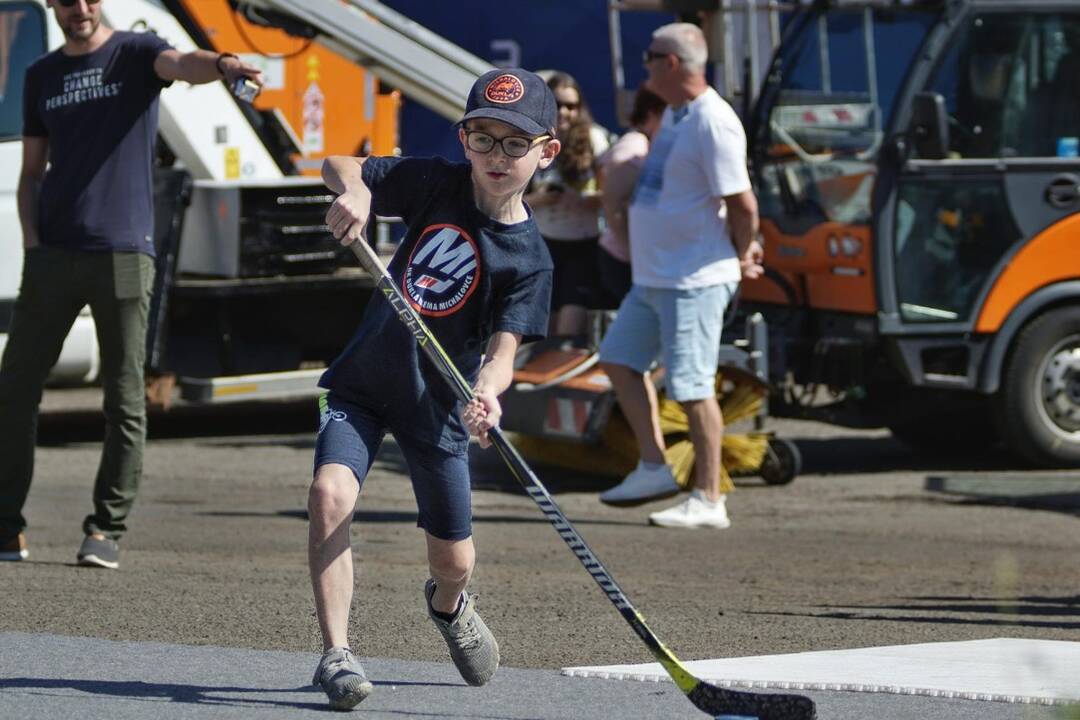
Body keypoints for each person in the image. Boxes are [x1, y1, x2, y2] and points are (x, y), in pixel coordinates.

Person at [309, 68, 558, 710]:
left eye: (515, 143)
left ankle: (448, 609)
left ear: (546, 151)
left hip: (439, 407)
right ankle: (336, 653)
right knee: (329, 493)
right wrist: (358, 193)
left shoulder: (529, 259)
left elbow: (503, 352)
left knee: (453, 561)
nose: (496, 157)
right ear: (463, 138)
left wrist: (489, 392)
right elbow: (339, 164)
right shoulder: (433, 183)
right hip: (361, 385)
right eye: (483, 138)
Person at [0, 0, 263, 568]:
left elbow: (181, 63)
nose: (81, 8)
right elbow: (30, 174)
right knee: (14, 389)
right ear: (54, 6)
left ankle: (105, 529)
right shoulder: (42, 75)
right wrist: (33, 242)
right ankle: (6, 526)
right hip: (53, 256)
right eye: (68, 0)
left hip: (122, 253)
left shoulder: (135, 53)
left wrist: (223, 64)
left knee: (122, 396)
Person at [597, 22, 763, 528]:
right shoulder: (676, 115)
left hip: (693, 278)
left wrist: (742, 252)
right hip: (657, 277)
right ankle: (654, 467)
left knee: (692, 387)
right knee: (620, 359)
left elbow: (742, 204)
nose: (643, 65)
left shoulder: (713, 121)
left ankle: (710, 499)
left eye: (649, 56)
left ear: (670, 63)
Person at [525, 71, 609, 336]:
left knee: (571, 322)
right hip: (543, 241)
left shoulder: (594, 139)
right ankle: (536, 376)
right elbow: (510, 198)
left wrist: (583, 199)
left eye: (571, 106)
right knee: (542, 320)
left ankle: (561, 374)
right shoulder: (532, 136)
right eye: (557, 104)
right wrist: (543, 198)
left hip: (583, 241)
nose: (564, 112)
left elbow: (611, 196)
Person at [595, 84, 666, 306]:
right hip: (624, 260)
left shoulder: (649, 145)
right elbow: (613, 203)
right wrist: (633, 255)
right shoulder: (635, 147)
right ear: (653, 112)